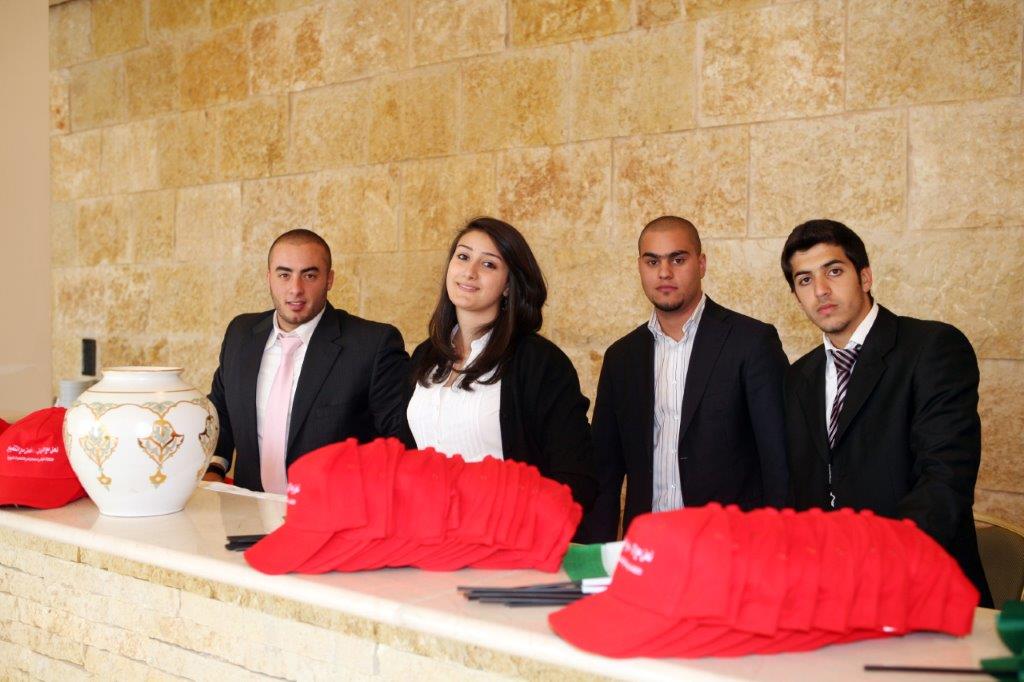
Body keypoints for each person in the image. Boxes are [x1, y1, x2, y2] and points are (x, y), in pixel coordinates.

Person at [781, 218, 991, 605]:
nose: (821, 290)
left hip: (925, 593)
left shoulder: (932, 348)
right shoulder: (797, 377)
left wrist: (871, 568)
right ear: (796, 296)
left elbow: (944, 481)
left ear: (865, 277)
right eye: (805, 280)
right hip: (833, 599)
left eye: (834, 271)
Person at [581, 216, 789, 542]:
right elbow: (605, 473)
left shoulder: (751, 343)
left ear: (701, 264)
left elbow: (779, 461)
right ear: (640, 267)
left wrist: (778, 547)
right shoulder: (621, 358)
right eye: (652, 261)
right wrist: (597, 556)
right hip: (647, 548)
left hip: (730, 548)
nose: (664, 272)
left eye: (678, 259)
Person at [405, 217, 597, 510]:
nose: (469, 272)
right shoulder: (425, 356)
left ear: (508, 285)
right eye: (463, 256)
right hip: (428, 532)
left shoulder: (539, 362)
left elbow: (576, 476)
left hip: (506, 533)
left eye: (488, 264)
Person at [205, 229, 411, 492]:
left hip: (333, 512)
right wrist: (214, 467)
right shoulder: (240, 334)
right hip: (249, 509)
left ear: (329, 280)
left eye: (310, 275)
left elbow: (399, 444)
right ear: (269, 278)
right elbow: (220, 412)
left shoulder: (373, 345)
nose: (296, 289)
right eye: (284, 274)